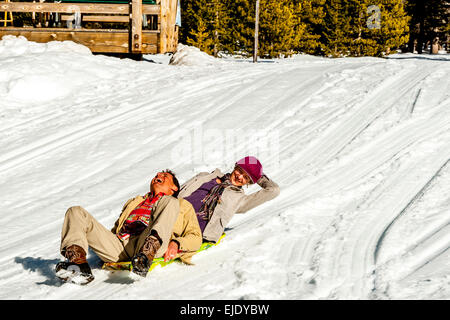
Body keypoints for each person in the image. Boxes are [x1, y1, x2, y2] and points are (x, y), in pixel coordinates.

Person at [56, 169, 202, 284]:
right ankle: (79, 265)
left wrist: (177, 243)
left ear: (174, 187)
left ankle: (145, 257)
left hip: (148, 242)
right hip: (120, 245)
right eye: (157, 174)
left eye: (164, 175)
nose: (158, 175)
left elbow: (196, 238)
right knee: (75, 212)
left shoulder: (179, 204)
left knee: (169, 201)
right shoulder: (134, 202)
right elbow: (116, 229)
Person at [179, 156, 280, 243]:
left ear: (249, 182)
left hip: (192, 229)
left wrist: (257, 176)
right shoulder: (206, 176)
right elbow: (178, 192)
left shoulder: (239, 199)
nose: (239, 177)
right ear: (235, 166)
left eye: (246, 177)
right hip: (174, 212)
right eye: (240, 171)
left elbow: (273, 190)